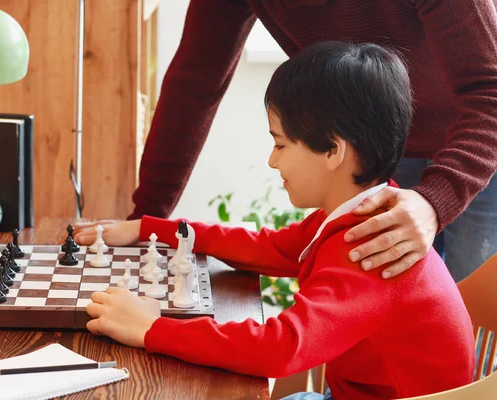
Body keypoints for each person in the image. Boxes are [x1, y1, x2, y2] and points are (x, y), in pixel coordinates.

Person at [75, 42, 475, 399]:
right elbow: (267, 248)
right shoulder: (358, 213)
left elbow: (280, 347)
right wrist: (152, 229)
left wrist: (152, 327)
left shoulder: (370, 246)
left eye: (280, 144)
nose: (272, 160)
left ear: (334, 151)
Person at [124, 0, 497, 283]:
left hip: (492, 132)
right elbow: (194, 85)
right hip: (382, 137)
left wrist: (435, 201)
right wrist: (147, 219)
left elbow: (494, 94)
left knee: (473, 315)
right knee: (383, 300)